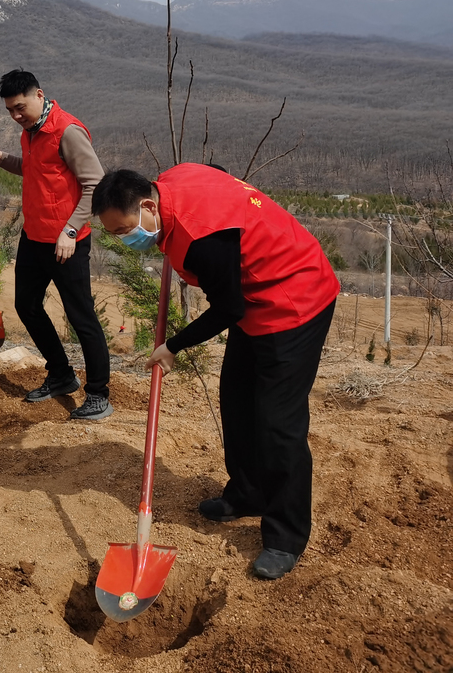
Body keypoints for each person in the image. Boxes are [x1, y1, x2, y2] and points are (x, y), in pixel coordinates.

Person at [92, 165, 339, 580]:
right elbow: (219, 175)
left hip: (295, 297)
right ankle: (248, 493)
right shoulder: (174, 179)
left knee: (279, 423)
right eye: (113, 234)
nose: (124, 239)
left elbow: (228, 309)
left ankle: (285, 536)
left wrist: (172, 346)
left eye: (123, 230)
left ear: (149, 205)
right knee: (238, 400)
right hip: (254, 297)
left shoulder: (201, 238)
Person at [0, 69, 112, 420]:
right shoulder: (30, 132)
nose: (16, 116)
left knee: (81, 318)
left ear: (40, 95)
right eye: (10, 110)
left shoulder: (67, 131)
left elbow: (95, 184)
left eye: (20, 107)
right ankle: (62, 374)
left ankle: (98, 393)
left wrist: (70, 231)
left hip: (66, 242)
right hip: (34, 236)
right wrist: (0, 157)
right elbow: (35, 170)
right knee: (27, 306)